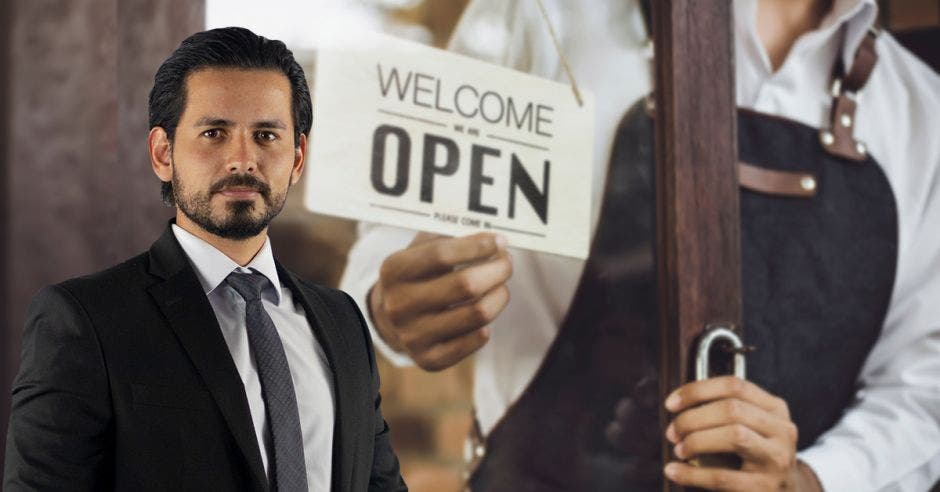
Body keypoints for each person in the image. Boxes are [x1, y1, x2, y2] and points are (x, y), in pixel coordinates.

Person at [341, 0, 940, 490]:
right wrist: (385, 308)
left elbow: (923, 383)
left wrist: (812, 479)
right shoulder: (544, 13)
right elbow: (391, 238)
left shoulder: (920, 111)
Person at [4, 27, 406, 492]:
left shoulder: (343, 324)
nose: (243, 159)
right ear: (162, 153)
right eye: (214, 133)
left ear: (297, 158)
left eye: (266, 135)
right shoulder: (84, 322)